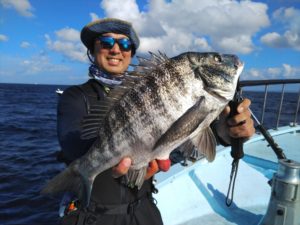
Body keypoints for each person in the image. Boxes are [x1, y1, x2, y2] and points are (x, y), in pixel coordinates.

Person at [56, 18, 255, 225]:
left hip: (143, 209)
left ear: (131, 53)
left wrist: (230, 131)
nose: (115, 50)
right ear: (92, 50)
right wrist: (102, 158)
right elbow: (73, 146)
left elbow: (195, 127)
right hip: (92, 214)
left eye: (124, 44)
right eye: (106, 42)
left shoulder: (146, 90)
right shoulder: (76, 96)